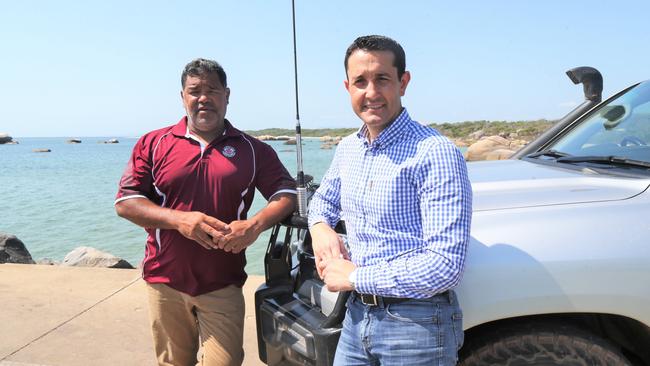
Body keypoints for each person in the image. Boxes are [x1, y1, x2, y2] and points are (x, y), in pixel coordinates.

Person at [115, 58, 296, 366]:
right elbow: (126, 202)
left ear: (227, 95)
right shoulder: (154, 143)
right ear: (182, 97)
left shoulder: (252, 149)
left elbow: (287, 193)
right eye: (194, 90)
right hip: (164, 281)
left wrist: (254, 226)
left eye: (212, 89)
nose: (203, 98)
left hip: (222, 283)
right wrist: (180, 219)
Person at [308, 35, 472, 365]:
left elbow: (445, 266)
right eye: (360, 82)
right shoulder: (348, 149)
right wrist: (320, 228)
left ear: (403, 82)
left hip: (417, 324)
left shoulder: (435, 153)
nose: (371, 93)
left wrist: (353, 277)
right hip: (355, 319)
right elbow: (323, 200)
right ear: (347, 87)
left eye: (382, 79)